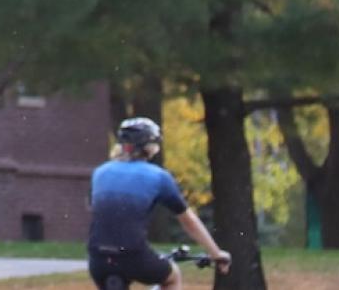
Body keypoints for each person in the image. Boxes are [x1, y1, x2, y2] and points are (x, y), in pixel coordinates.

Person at [87, 118, 231, 289]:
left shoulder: (100, 173)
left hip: (98, 258)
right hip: (133, 255)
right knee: (172, 276)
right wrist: (216, 253)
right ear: (149, 147)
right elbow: (189, 222)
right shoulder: (158, 177)